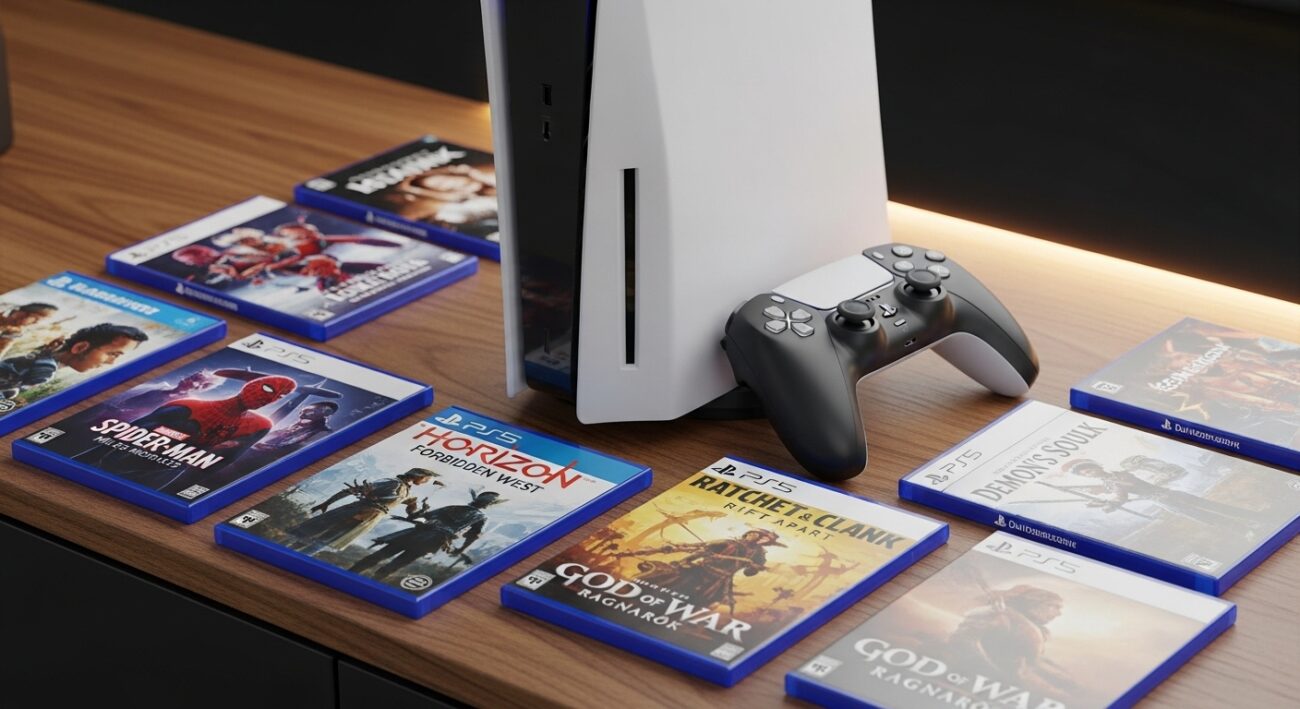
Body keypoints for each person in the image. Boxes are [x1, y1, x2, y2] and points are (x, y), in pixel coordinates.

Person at [947, 584, 1076, 698]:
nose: (1059, 613)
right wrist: (995, 674)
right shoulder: (998, 616)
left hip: (1009, 687)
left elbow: (1031, 660)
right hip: (973, 682)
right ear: (1035, 604)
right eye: (1055, 606)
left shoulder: (1036, 630)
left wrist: (1065, 681)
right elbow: (962, 642)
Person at [617, 528, 784, 612]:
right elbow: (699, 548)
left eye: (765, 539)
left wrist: (754, 568)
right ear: (749, 534)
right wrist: (684, 556)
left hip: (720, 581)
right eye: (758, 535)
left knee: (701, 603)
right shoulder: (727, 543)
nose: (759, 539)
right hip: (700, 571)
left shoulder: (759, 554)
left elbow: (749, 572)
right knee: (666, 581)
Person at [349, 490, 503, 581]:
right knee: (392, 562)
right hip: (428, 539)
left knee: (384, 557)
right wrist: (461, 549)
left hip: (423, 536)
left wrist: (419, 513)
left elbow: (423, 517)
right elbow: (472, 536)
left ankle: (355, 576)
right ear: (487, 504)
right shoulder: (477, 516)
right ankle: (365, 579)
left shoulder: (460, 510)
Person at [286, 468, 443, 552]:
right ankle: (287, 551)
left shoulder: (407, 492)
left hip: (369, 518)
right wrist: (326, 502)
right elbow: (353, 490)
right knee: (316, 535)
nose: (426, 482)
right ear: (418, 476)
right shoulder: (392, 483)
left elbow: (411, 512)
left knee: (328, 540)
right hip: (356, 512)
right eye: (426, 479)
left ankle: (298, 557)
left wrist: (420, 510)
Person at [0, 322, 147, 400]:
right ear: (80, 347)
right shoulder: (45, 370)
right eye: (112, 354)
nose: (111, 362)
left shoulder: (43, 358)